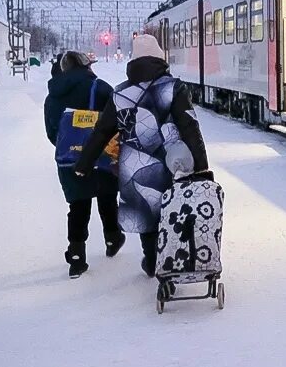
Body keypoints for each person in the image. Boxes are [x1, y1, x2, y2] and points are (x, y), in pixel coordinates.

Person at [74, 34, 209, 278]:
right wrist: (201, 166)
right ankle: (173, 258)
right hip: (172, 163)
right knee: (174, 210)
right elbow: (190, 127)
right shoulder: (174, 87)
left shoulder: (120, 94)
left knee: (147, 216)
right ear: (160, 57)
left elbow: (102, 132)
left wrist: (84, 163)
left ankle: (152, 260)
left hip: (134, 165)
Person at [43, 51, 124, 278]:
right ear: (87, 66)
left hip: (69, 159)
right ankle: (112, 237)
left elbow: (52, 132)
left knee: (78, 205)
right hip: (102, 154)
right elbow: (119, 118)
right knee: (107, 197)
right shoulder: (99, 87)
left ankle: (77, 256)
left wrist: (72, 146)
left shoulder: (53, 95)